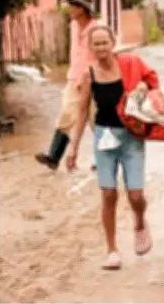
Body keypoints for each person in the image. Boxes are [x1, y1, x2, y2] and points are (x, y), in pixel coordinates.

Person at [65, 25, 155, 270]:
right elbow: (82, 111)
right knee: (108, 194)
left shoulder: (130, 65)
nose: (101, 48)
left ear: (113, 43)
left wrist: (143, 88)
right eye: (97, 44)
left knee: (135, 195)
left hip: (132, 136)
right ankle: (112, 249)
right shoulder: (88, 75)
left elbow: (152, 81)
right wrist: (73, 147)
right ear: (90, 47)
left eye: (105, 42)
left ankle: (139, 221)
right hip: (104, 138)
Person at [35, 0, 98, 171]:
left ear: (82, 9)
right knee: (66, 115)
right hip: (73, 79)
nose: (69, 10)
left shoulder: (96, 29)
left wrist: (92, 76)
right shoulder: (73, 27)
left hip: (93, 81)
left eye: (73, 6)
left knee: (96, 120)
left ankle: (103, 160)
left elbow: (105, 54)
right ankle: (53, 157)